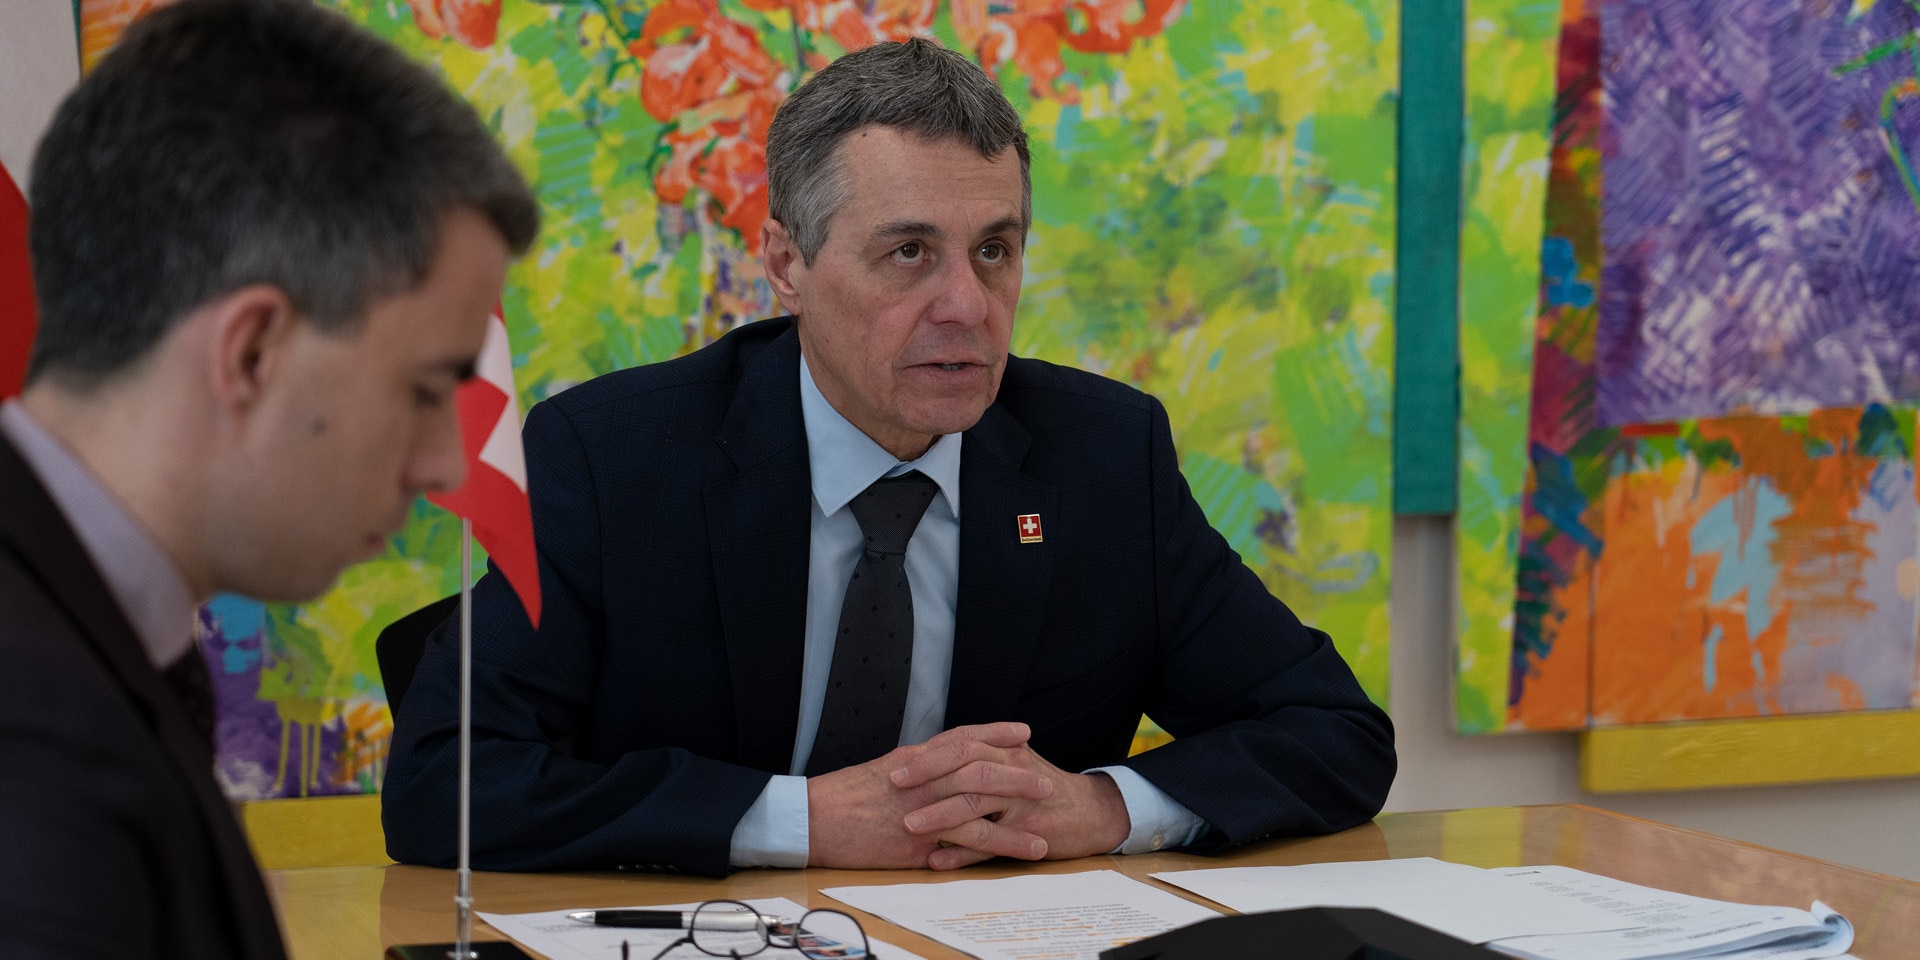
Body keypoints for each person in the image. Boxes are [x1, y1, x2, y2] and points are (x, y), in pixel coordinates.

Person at [383, 37, 1393, 879]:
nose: (965, 305)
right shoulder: (612, 458)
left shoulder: (1103, 458)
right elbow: (445, 783)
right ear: (786, 262)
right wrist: (806, 823)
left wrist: (1100, 807)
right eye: (909, 252)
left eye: (995, 251)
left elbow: (1334, 731)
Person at [0, 1, 539, 957]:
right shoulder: (37, 736)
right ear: (250, 352)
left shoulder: (85, 629)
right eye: (423, 390)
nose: (448, 465)